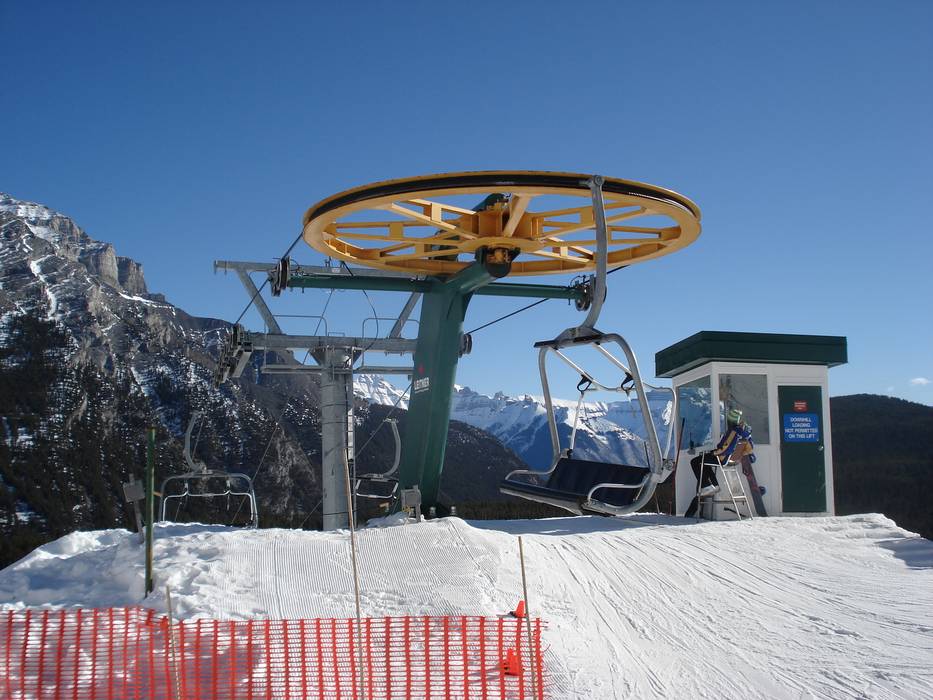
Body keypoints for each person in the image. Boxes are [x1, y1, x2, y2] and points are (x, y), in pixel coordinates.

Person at [684, 407, 755, 518]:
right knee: (704, 461)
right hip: (728, 458)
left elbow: (726, 448)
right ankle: (713, 485)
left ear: (730, 421)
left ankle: (708, 485)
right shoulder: (743, 432)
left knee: (695, 461)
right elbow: (749, 448)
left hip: (721, 457)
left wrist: (714, 452)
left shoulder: (733, 431)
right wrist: (740, 455)